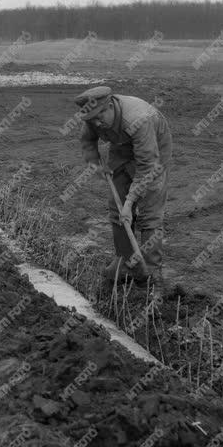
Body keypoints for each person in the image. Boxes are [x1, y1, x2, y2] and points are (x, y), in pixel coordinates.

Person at [75, 86, 172, 297]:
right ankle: (126, 261)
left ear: (110, 106)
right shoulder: (94, 118)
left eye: (100, 116)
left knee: (149, 215)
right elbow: (87, 140)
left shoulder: (139, 119)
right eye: (92, 119)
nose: (97, 123)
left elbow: (147, 167)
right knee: (115, 209)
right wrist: (95, 164)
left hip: (152, 150)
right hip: (121, 146)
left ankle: (152, 273)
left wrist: (129, 203)